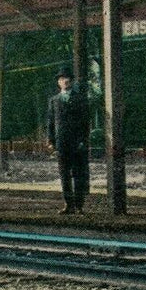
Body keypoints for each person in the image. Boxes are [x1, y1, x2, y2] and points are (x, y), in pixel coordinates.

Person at [46, 67, 90, 214]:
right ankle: (68, 205)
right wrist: (51, 141)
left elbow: (85, 122)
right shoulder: (54, 101)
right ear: (58, 83)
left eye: (67, 78)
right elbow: (51, 123)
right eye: (62, 79)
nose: (65, 81)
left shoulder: (80, 99)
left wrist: (83, 140)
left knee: (78, 175)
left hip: (78, 143)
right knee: (64, 175)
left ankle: (79, 206)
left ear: (72, 81)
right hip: (61, 143)